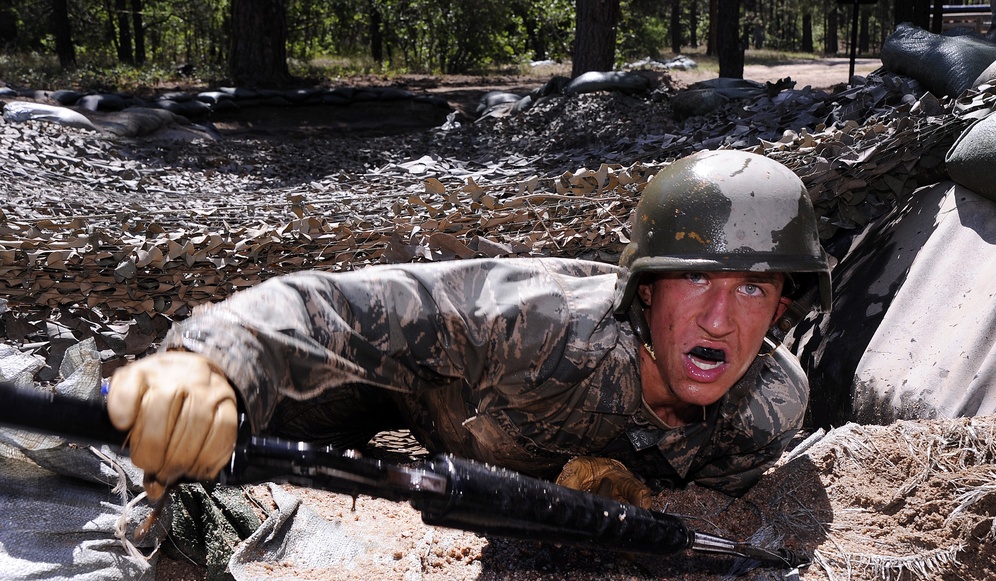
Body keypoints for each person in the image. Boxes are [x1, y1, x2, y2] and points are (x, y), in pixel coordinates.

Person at [107, 150, 832, 510]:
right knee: (202, 448)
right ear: (643, 291)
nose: (718, 317)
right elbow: (332, 307)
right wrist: (209, 365)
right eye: (695, 277)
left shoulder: (767, 406)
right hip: (408, 391)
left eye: (752, 288)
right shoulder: (535, 323)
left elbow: (697, 513)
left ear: (781, 310)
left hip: (494, 460)